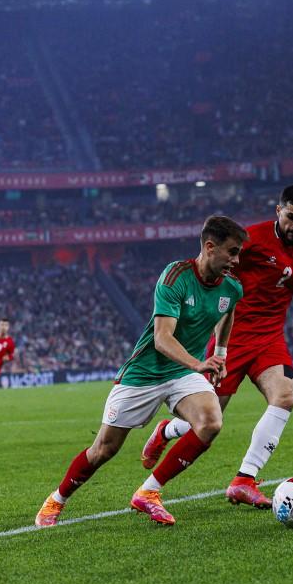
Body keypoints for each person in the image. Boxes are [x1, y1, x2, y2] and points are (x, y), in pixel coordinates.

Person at [34, 216, 247, 527]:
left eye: (238, 253)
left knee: (211, 422)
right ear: (210, 247)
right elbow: (162, 339)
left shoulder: (231, 287)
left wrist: (220, 354)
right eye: (232, 252)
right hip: (145, 373)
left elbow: (227, 311)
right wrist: (199, 364)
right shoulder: (176, 277)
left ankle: (148, 493)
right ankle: (57, 498)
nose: (236, 260)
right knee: (104, 450)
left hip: (183, 373)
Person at [144, 185, 293, 510]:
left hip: (270, 339)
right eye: (291, 217)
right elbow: (213, 268)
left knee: (285, 397)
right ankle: (168, 431)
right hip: (232, 336)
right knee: (210, 417)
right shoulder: (250, 240)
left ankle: (244, 479)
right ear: (278, 211)